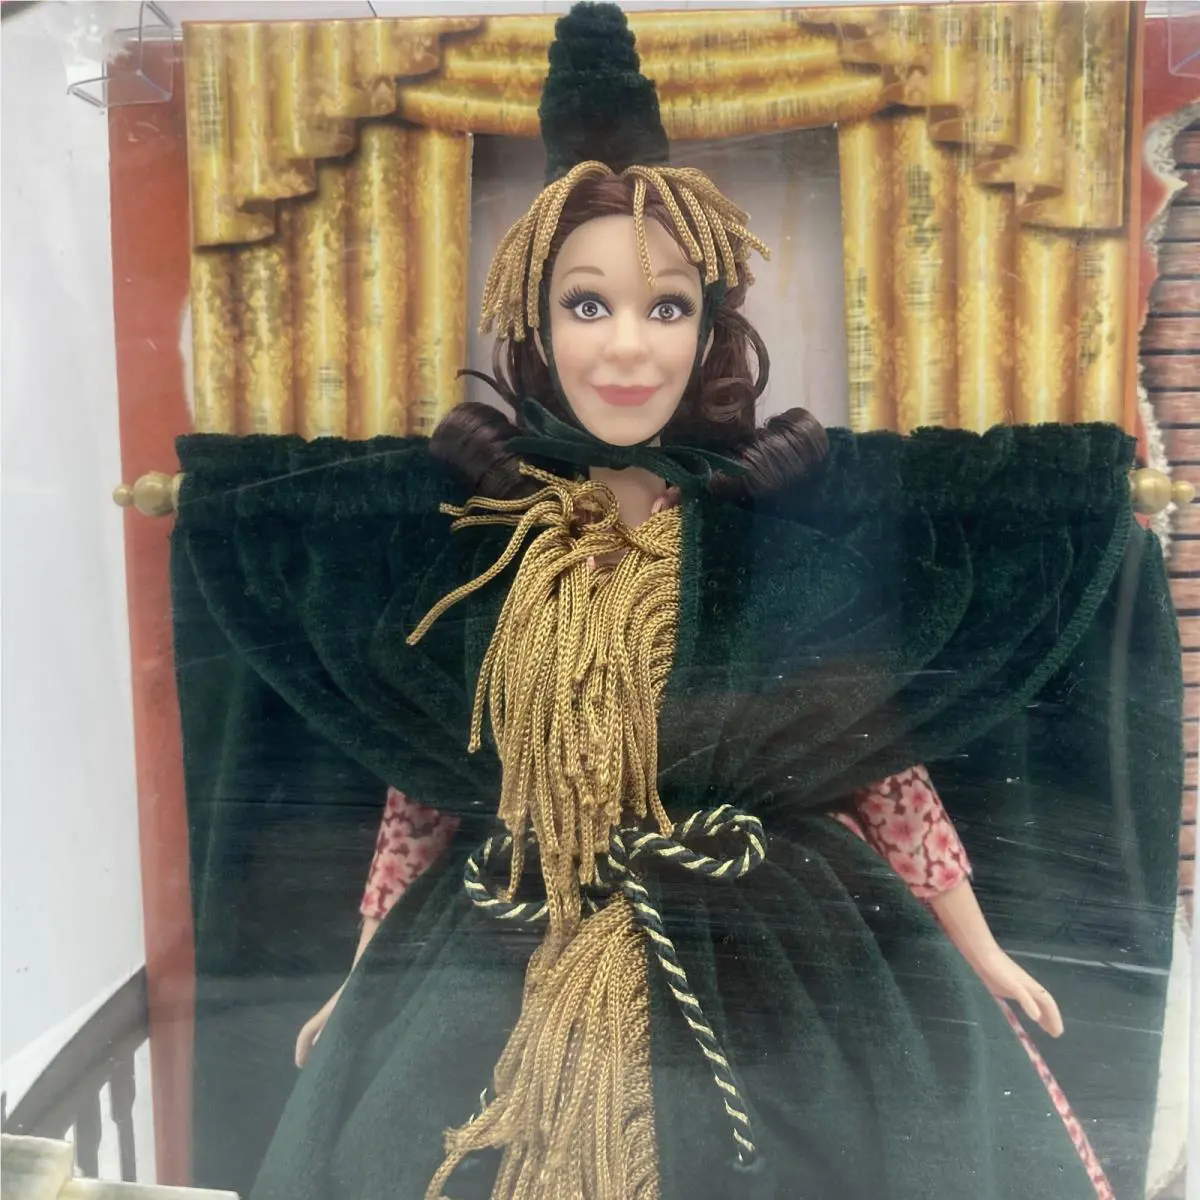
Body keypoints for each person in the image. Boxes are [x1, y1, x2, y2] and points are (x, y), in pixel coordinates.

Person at [171, 5, 1181, 1198]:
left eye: (668, 309)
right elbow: (425, 785)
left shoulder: (768, 542)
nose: (628, 350)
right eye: (587, 305)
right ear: (538, 323)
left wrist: (980, 949)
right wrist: (360, 974)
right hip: (515, 924)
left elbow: (877, 764)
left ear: (709, 331)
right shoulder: (488, 550)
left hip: (782, 943)